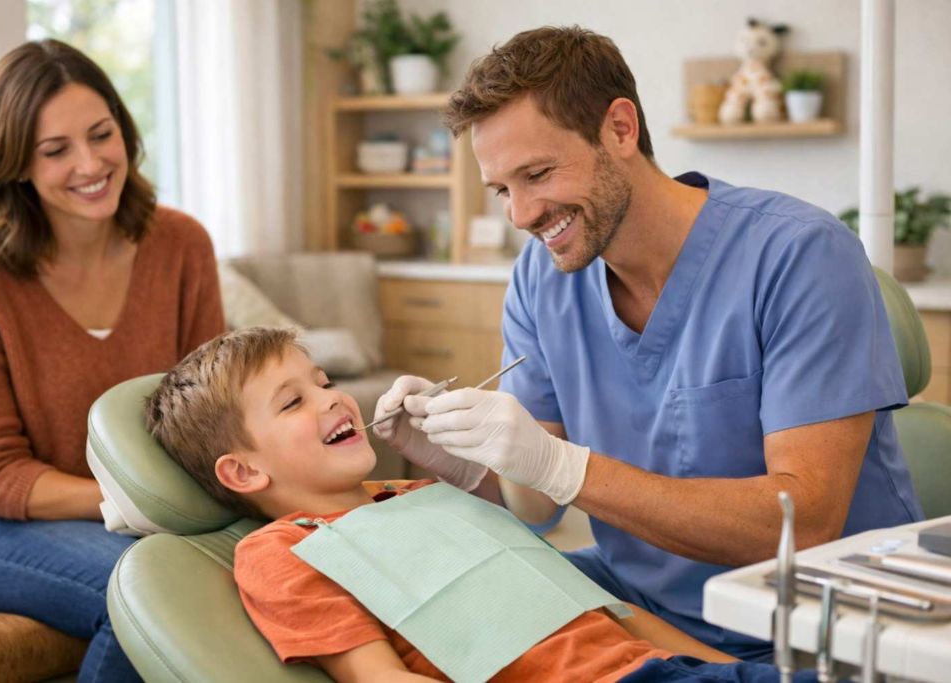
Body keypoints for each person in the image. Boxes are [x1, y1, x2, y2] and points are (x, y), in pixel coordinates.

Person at [372, 26, 923, 661]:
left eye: (538, 173)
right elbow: (538, 506)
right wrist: (464, 463)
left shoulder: (798, 256)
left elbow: (803, 522)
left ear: (620, 129)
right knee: (432, 624)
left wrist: (563, 466)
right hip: (641, 607)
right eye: (502, 190)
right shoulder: (541, 280)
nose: (521, 215)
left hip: (811, 625)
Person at [147, 325, 828, 683]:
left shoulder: (423, 493)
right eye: (294, 401)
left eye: (324, 381)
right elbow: (377, 678)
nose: (331, 398)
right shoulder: (284, 550)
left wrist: (744, 673)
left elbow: (613, 617)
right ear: (241, 470)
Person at [0, 39, 225, 681]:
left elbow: (215, 412)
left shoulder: (181, 245)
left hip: (144, 513)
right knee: (149, 596)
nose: (91, 164)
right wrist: (141, 509)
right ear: (14, 165)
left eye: (101, 134)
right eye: (55, 150)